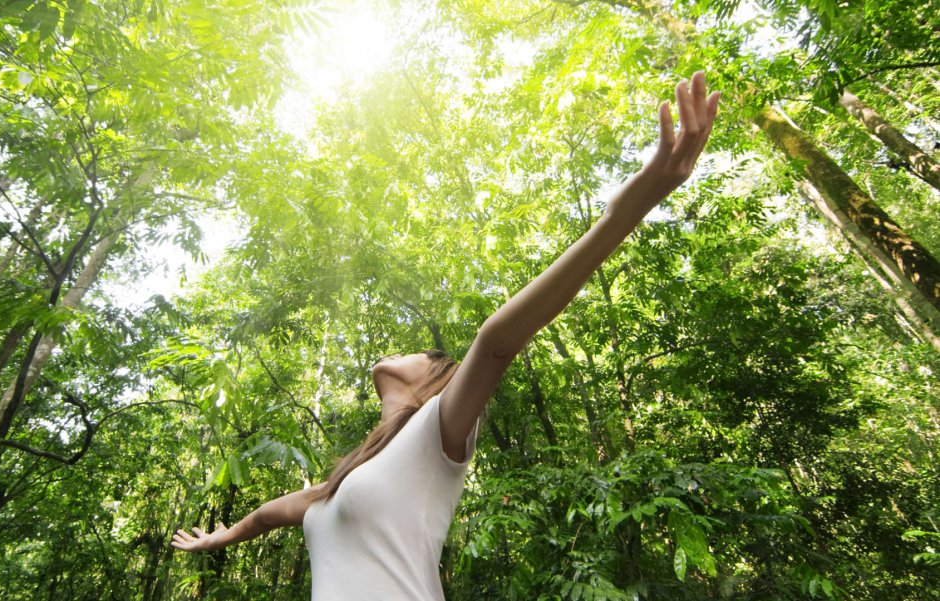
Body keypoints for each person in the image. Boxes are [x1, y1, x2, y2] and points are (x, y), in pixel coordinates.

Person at [171, 71, 721, 598]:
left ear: (434, 382)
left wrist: (625, 212)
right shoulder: (338, 487)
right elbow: (271, 514)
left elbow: (498, 342)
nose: (403, 350)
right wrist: (222, 536)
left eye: (425, 353)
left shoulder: (438, 432)